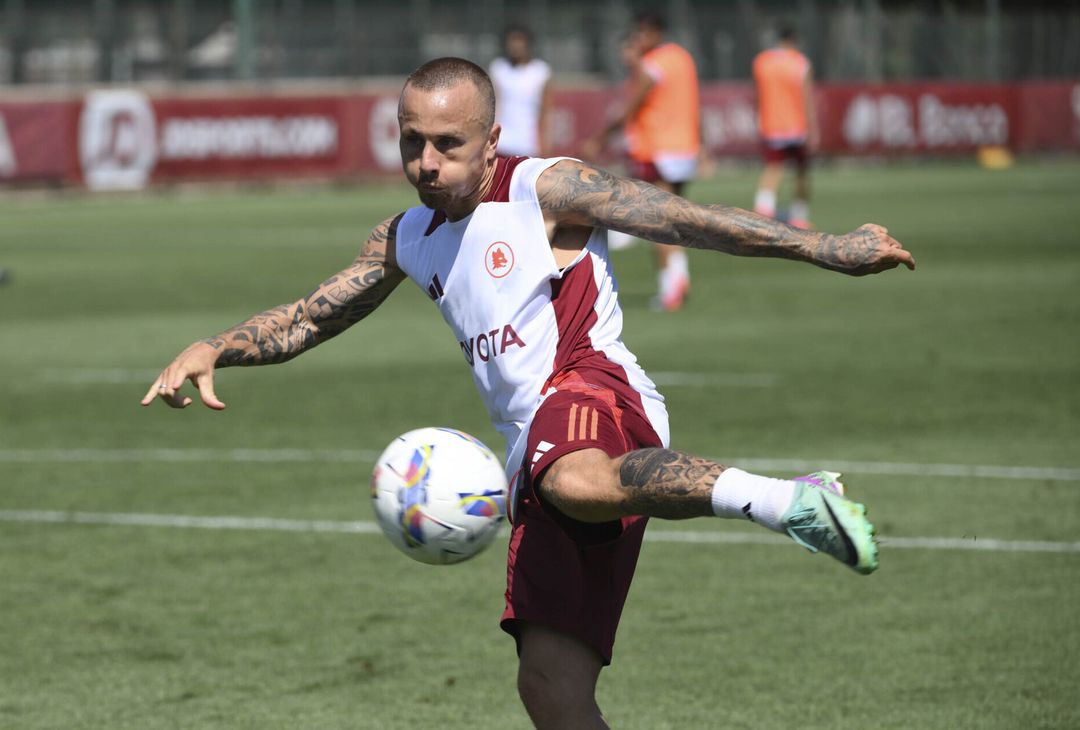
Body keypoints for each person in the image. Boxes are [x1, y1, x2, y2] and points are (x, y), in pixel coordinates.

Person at [142, 57, 914, 729]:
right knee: (549, 689)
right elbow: (310, 317)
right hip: (531, 450)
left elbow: (686, 220)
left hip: (595, 388)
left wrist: (826, 247)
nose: (427, 162)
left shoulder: (545, 188)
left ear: (491, 140)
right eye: (413, 141)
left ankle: (787, 501)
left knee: (568, 473)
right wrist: (217, 347)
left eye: (448, 144)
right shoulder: (405, 236)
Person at [581, 11, 701, 312]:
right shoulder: (682, 57)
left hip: (659, 148)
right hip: (684, 146)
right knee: (675, 218)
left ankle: (669, 287)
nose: (639, 39)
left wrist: (599, 139)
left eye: (643, 33)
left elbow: (626, 112)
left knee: (656, 221)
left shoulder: (652, 65)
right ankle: (679, 277)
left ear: (656, 32)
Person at [752, 22, 819, 229]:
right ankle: (799, 216)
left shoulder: (762, 61)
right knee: (801, 172)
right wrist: (813, 128)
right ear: (794, 41)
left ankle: (763, 210)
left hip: (772, 124)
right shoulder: (800, 63)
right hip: (797, 125)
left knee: (773, 168)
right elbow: (807, 98)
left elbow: (758, 94)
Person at [490, 23, 553, 158]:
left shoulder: (541, 71)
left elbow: (545, 110)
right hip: (502, 142)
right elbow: (494, 104)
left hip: (528, 144)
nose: (515, 46)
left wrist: (545, 143)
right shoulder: (498, 68)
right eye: (512, 41)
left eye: (519, 40)